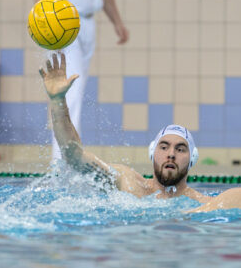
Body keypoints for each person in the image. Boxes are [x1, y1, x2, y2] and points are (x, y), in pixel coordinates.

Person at [39, 53, 208, 203]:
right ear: (152, 152)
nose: (171, 154)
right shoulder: (127, 182)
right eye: (163, 147)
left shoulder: (204, 203)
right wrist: (58, 100)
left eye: (180, 149)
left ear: (192, 158)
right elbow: (74, 157)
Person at [29, 0, 130, 160]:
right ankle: (62, 163)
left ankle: (70, 158)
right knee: (68, 92)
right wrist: (46, 30)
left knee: (76, 91)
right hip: (61, 29)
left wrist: (117, 22)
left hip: (86, 23)